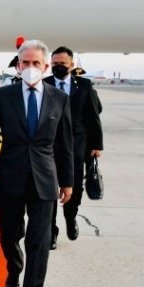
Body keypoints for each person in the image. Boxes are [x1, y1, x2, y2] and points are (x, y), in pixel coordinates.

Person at [0, 39, 74, 287]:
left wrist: (68, 182)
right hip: (9, 177)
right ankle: (14, 266)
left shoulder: (59, 98)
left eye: (36, 63)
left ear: (45, 67)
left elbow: (65, 143)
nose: (31, 67)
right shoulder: (3, 96)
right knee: (9, 235)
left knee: (39, 242)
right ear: (18, 66)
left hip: (45, 179)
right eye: (26, 63)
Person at [44, 46, 103, 248]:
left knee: (74, 187)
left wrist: (96, 145)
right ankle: (51, 231)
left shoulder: (84, 85)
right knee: (49, 188)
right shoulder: (44, 84)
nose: (58, 66)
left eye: (62, 63)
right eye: (55, 63)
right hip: (50, 145)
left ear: (71, 65)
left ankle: (71, 217)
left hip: (77, 145)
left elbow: (93, 116)